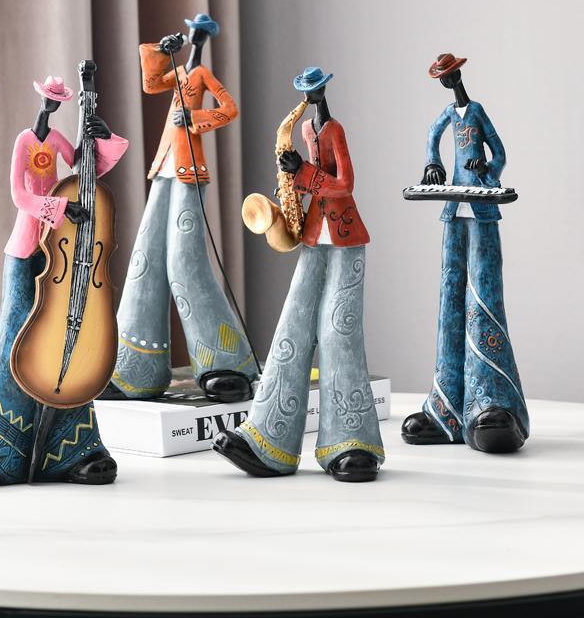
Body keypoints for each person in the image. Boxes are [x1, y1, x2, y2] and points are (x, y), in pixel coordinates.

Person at [0, 75, 128, 486]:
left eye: (56, 101)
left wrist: (100, 137)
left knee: (67, 332)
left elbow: (85, 168)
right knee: (15, 331)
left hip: (58, 245)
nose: (51, 106)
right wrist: (59, 208)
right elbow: (20, 195)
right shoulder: (25, 141)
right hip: (30, 241)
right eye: (48, 99)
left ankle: (73, 448)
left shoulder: (58, 139)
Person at [213, 67, 384, 482]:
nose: (311, 96)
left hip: (345, 236)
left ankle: (352, 440)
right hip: (313, 233)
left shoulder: (335, 129)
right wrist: (291, 184)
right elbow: (314, 183)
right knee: (292, 324)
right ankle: (267, 438)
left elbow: (345, 184)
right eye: (307, 90)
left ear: (323, 89)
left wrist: (304, 173)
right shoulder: (306, 130)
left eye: (315, 89)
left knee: (338, 331)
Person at [103, 14, 256, 403]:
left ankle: (226, 362)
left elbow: (229, 109)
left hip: (189, 169)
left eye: (200, 33)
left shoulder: (201, 74)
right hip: (165, 167)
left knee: (184, 261)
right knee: (146, 256)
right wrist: (160, 50)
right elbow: (152, 83)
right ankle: (134, 367)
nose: (195, 37)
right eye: (192, 32)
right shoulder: (180, 71)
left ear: (205, 38)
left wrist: (194, 118)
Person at [401, 54, 528, 453]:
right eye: (442, 76)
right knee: (451, 294)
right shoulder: (447, 115)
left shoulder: (476, 111)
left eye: (449, 75)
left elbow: (500, 152)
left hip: (482, 203)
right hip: (455, 204)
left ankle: (491, 400)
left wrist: (486, 167)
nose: (447, 81)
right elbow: (431, 137)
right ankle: (448, 409)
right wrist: (432, 163)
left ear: (457, 75)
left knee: (485, 291)